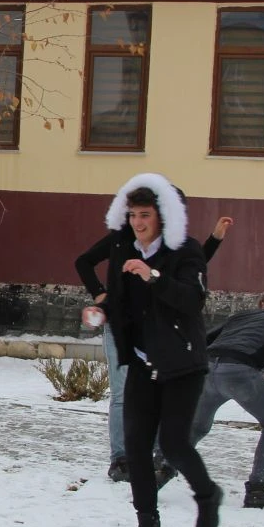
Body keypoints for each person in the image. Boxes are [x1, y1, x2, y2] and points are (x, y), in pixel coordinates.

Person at [85, 173, 222, 527]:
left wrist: (153, 275)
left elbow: (193, 301)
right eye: (132, 216)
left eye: (144, 215)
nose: (137, 224)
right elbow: (122, 303)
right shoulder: (126, 252)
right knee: (137, 446)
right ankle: (148, 523)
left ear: (161, 217)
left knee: (175, 445)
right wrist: (101, 311)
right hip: (144, 364)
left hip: (182, 364)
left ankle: (208, 496)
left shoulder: (186, 251)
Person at [76, 207, 233, 483]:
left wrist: (215, 239)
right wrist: (100, 295)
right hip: (123, 323)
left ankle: (153, 455)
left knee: (160, 390)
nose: (140, 222)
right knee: (123, 392)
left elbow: (191, 270)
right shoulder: (120, 239)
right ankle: (121, 459)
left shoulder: (169, 245)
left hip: (158, 323)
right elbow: (84, 262)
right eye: (136, 215)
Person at [188, 288, 264, 508]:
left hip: (209, 370)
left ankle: (162, 466)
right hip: (242, 372)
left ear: (261, 304)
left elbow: (204, 339)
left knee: (197, 426)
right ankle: (257, 490)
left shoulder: (240, 315)